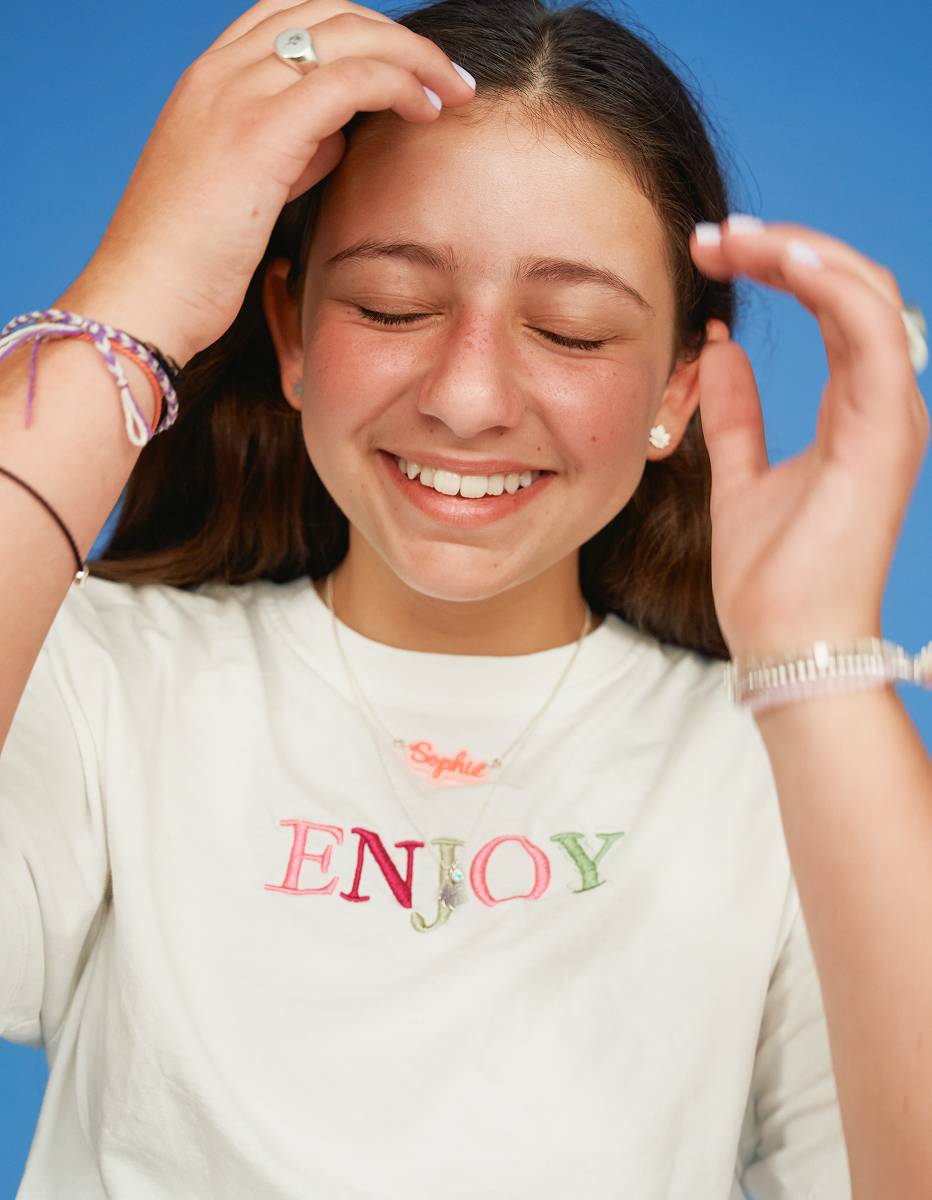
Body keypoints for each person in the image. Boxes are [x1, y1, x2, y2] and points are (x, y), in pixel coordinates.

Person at [0, 0, 929, 1196]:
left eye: (570, 331)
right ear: (288, 327)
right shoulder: (95, 676)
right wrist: (138, 295)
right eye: (391, 307)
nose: (468, 397)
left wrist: (817, 663)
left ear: (676, 389)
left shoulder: (784, 774)